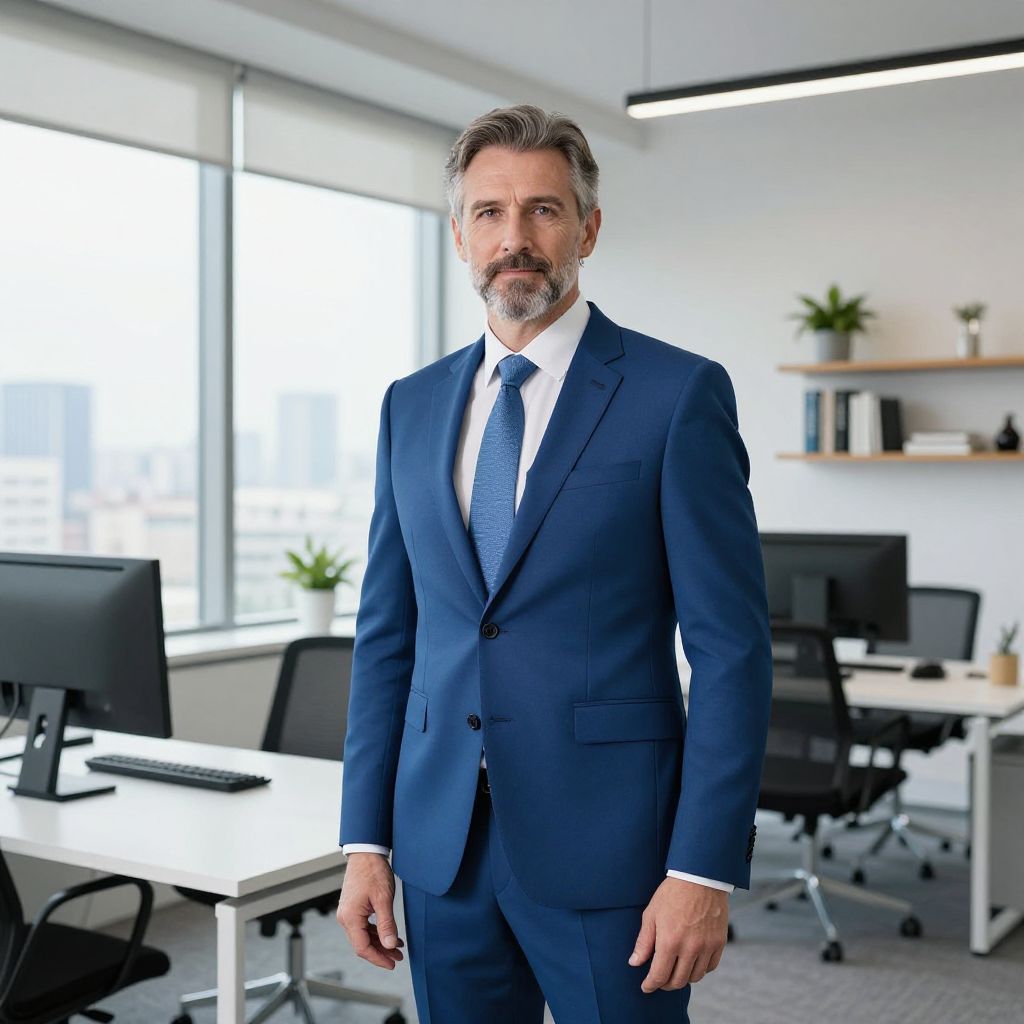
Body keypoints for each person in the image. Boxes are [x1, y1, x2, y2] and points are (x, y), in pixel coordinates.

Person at [336, 103, 772, 1023]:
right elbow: (388, 639)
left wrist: (703, 866)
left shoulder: (676, 393)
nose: (515, 238)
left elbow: (731, 651)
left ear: (590, 228)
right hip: (441, 845)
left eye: (543, 210)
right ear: (460, 235)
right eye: (489, 213)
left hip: (613, 845)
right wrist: (364, 842)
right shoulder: (409, 407)